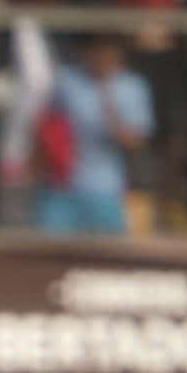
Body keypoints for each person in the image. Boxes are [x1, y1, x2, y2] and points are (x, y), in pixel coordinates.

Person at [34, 35, 154, 236]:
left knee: (107, 259)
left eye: (107, 51)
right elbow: (47, 126)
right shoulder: (66, 81)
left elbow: (135, 142)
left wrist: (108, 102)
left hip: (105, 190)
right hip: (60, 188)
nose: (101, 57)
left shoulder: (133, 87)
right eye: (95, 50)